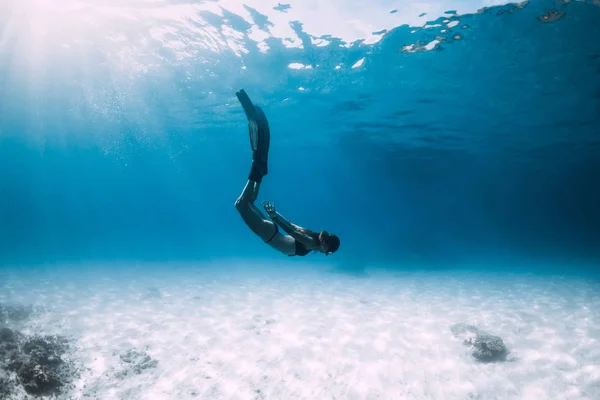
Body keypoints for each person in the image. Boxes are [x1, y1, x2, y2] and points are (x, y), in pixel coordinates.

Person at [234, 89, 340, 257]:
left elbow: (292, 226)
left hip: (272, 230)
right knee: (241, 204)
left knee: (249, 202)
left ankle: (259, 173)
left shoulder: (313, 237)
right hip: (270, 233)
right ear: (326, 249)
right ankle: (256, 170)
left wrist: (275, 216)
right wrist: (274, 216)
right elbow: (292, 230)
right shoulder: (312, 243)